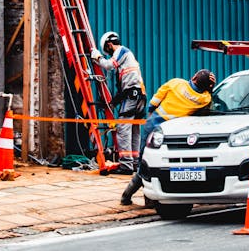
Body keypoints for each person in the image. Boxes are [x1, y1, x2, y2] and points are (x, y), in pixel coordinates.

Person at [120, 68, 216, 205]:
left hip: (154, 123)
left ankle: (129, 196)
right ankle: (148, 199)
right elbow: (208, 108)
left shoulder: (176, 83)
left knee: (144, 161)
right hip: (173, 132)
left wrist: (151, 114)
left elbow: (154, 101)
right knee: (158, 163)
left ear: (194, 77)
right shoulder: (204, 99)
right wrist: (210, 89)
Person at [91, 31, 147, 175]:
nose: (109, 53)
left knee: (123, 128)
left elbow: (109, 65)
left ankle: (126, 165)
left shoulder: (122, 51)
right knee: (134, 130)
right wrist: (113, 102)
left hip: (132, 96)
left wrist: (97, 57)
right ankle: (135, 163)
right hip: (139, 96)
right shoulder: (129, 57)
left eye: (107, 50)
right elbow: (125, 85)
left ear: (109, 44)